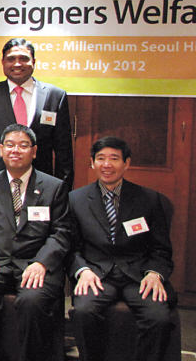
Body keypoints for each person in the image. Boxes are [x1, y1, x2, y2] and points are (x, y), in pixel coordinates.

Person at [0, 124, 71, 361]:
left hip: (35, 263)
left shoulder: (53, 187)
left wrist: (42, 263)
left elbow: (61, 233)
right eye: (10, 145)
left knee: (33, 302)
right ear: (1, 150)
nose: (16, 150)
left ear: (34, 152)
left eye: (23, 146)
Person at [68, 137, 175, 361]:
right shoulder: (75, 200)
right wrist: (82, 271)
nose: (107, 164)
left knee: (159, 318)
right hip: (96, 274)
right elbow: (71, 248)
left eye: (114, 159)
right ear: (92, 163)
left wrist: (155, 273)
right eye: (101, 159)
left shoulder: (149, 199)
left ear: (126, 163)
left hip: (138, 275)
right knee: (84, 312)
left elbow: (161, 249)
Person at [0, 38, 74, 190]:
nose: (17, 64)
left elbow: (64, 152)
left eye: (24, 59)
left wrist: (63, 188)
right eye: (11, 59)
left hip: (42, 182)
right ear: (3, 62)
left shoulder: (55, 96)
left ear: (34, 61)